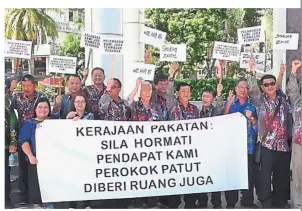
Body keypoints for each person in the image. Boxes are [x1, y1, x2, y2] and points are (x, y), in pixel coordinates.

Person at [247, 58, 291, 208]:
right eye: (266, 84)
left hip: (283, 145)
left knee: (282, 175)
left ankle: (281, 200)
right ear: (263, 87)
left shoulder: (284, 100)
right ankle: (266, 201)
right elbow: (252, 89)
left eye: (272, 84)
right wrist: (252, 71)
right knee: (265, 175)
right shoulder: (260, 101)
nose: (270, 86)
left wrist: (281, 73)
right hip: (266, 145)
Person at [10, 74, 47, 205]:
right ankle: (26, 196)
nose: (26, 88)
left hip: (40, 138)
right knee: (24, 169)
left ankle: (43, 195)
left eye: (29, 85)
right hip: (23, 137)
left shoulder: (41, 97)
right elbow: (12, 120)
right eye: (24, 85)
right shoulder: (15, 98)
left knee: (40, 169)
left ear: (35, 86)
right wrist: (13, 140)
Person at [128, 78, 164, 208]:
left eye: (149, 89)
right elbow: (128, 101)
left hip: (153, 148)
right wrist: (137, 86)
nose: (147, 92)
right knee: (139, 175)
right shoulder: (134, 106)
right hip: (137, 148)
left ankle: (152, 201)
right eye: (144, 90)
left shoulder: (157, 107)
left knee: (152, 175)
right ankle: (138, 202)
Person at [224, 78, 258, 208]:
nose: (243, 89)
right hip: (231, 147)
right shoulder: (231, 104)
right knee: (232, 174)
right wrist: (228, 103)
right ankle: (230, 203)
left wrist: (252, 118)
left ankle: (247, 201)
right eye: (240, 87)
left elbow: (257, 126)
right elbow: (222, 119)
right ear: (235, 89)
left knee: (249, 176)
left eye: (246, 87)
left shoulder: (252, 105)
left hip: (248, 146)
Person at [18, 98, 54, 209]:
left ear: (49, 109)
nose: (43, 110)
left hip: (52, 161)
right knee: (36, 187)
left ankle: (48, 205)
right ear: (35, 109)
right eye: (40, 107)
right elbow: (23, 141)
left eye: (46, 107)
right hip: (35, 159)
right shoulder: (29, 123)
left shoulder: (55, 122)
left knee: (50, 187)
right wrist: (30, 156)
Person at [287, 60, 301, 209]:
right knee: (298, 175)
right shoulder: (297, 102)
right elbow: (293, 89)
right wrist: (293, 71)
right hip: (299, 142)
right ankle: (298, 204)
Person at [5, 95, 18, 209]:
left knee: (4, 175)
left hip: (4, 146)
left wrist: (13, 142)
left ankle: (5, 200)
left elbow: (12, 124)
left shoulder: (7, 102)